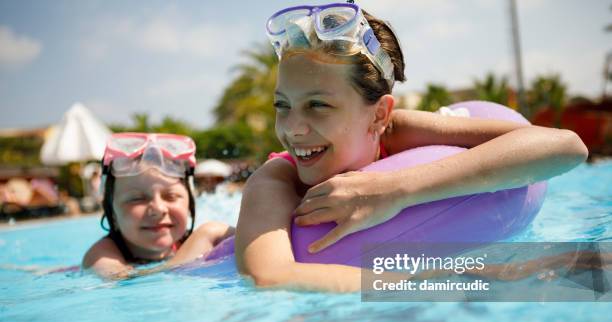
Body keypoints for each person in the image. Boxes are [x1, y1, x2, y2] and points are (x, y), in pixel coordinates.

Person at [234, 3, 588, 292]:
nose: (292, 128)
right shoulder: (276, 181)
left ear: (380, 114)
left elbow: (567, 147)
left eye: (317, 105)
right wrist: (466, 281)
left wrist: (395, 190)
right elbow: (270, 276)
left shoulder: (398, 132)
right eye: (282, 106)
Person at [82, 133, 234, 279]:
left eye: (171, 196)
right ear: (111, 211)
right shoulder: (101, 254)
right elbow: (123, 281)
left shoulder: (189, 241)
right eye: (136, 199)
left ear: (189, 204)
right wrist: (205, 237)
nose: (158, 209)